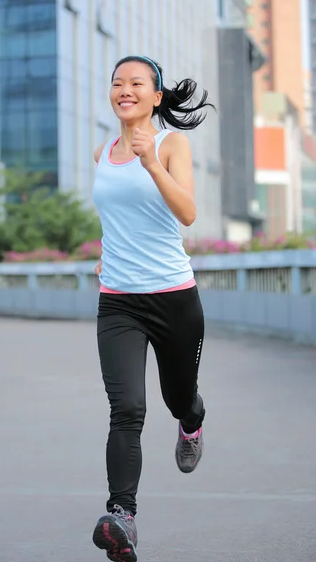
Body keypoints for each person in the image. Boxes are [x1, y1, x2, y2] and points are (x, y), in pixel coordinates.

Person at [91, 55, 214, 562]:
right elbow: (115, 219)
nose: (125, 89)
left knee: (176, 397)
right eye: (117, 82)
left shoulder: (171, 144)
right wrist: (106, 257)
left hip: (173, 298)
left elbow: (186, 212)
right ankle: (123, 516)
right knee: (127, 409)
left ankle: (192, 419)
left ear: (156, 96)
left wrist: (150, 161)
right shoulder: (101, 151)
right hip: (118, 302)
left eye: (136, 83)